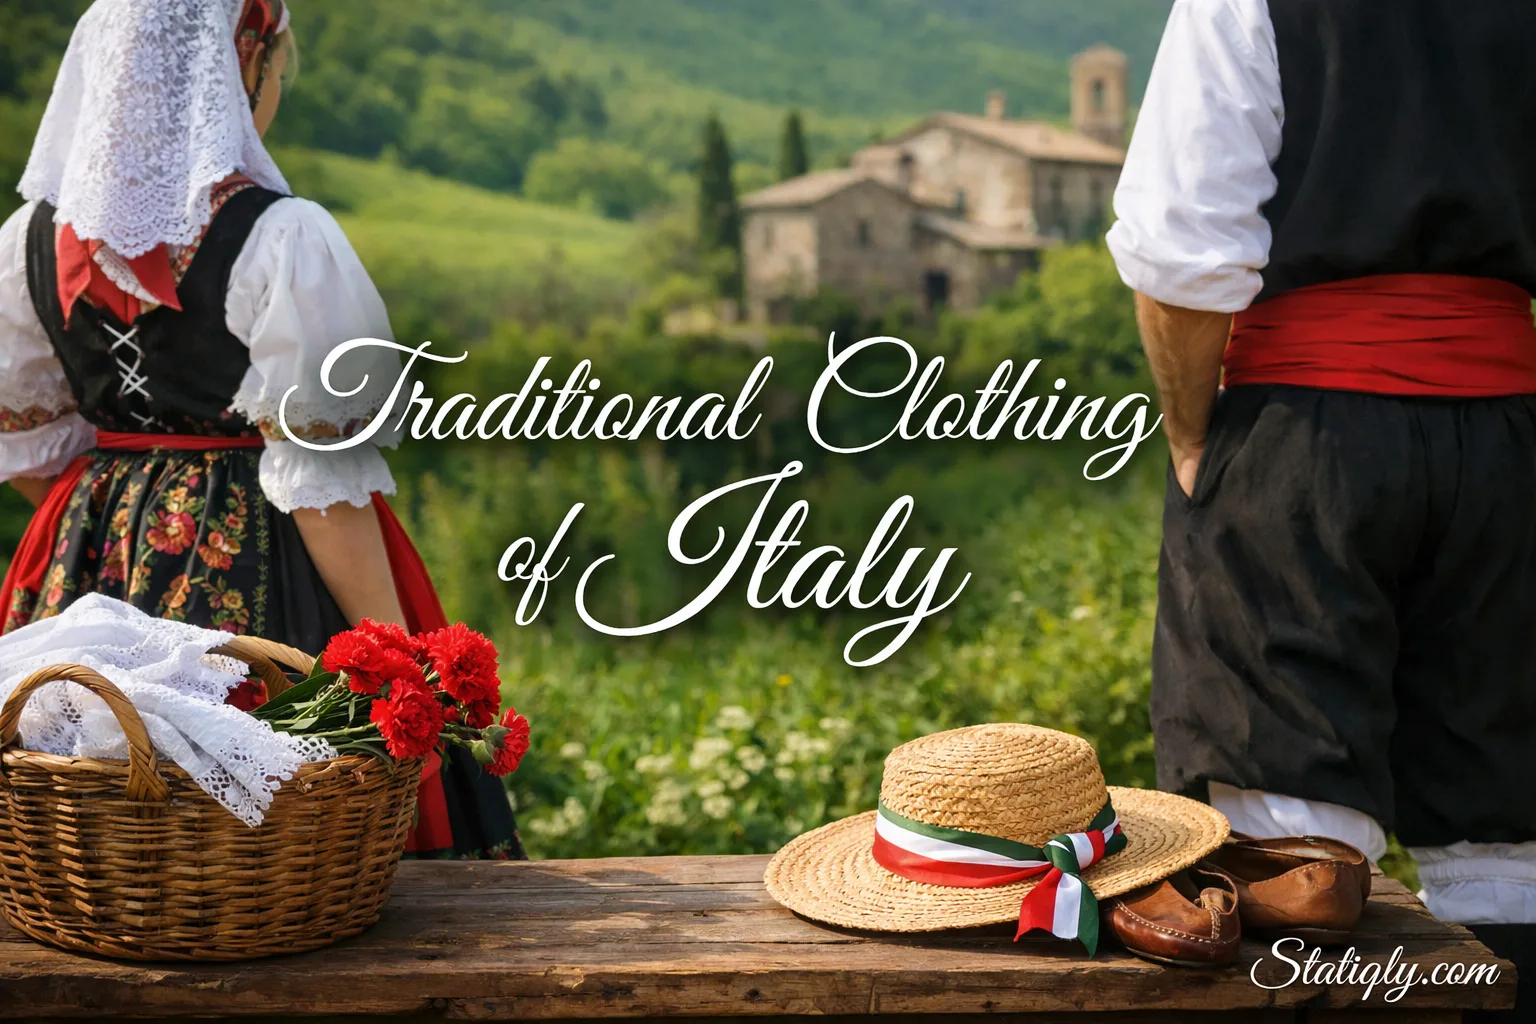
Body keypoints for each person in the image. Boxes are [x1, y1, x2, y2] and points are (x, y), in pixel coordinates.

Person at [0, 0, 522, 860]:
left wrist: (123, 507)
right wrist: (401, 658)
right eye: (280, 65)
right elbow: (322, 483)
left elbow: (35, 450)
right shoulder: (280, 238)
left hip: (89, 557)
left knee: (87, 793)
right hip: (262, 555)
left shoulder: (28, 241)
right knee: (288, 803)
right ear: (240, 68)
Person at [1108, 0, 1536, 1013]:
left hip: (1303, 442)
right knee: (1510, 835)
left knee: (1296, 861)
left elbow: (1181, 258)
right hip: (1509, 438)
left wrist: (1190, 439)